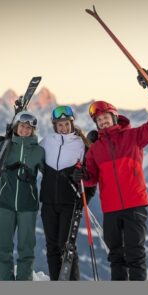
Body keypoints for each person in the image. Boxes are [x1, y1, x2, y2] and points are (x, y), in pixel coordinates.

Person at [73, 77, 148, 281]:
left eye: (106, 117)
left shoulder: (132, 137)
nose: (103, 121)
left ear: (114, 117)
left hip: (135, 204)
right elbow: (91, 179)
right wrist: (83, 175)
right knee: (116, 256)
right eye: (99, 120)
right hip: (111, 208)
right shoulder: (96, 149)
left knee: (135, 254)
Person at [0, 111, 45, 281]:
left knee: (26, 248)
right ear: (16, 127)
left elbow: (50, 174)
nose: (25, 130)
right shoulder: (4, 146)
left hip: (28, 205)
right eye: (22, 126)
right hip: (5, 202)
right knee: (3, 248)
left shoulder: (39, 151)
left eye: (29, 128)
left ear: (33, 131)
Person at [39, 105, 95, 280]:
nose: (63, 128)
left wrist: (83, 180)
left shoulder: (80, 144)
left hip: (69, 202)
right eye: (60, 125)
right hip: (48, 202)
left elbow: (91, 173)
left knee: (66, 245)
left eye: (66, 124)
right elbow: (31, 154)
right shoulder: (47, 141)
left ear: (72, 123)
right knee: (51, 246)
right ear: (55, 125)